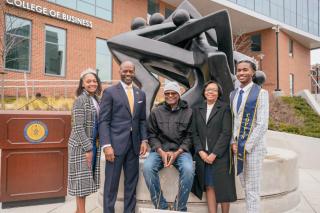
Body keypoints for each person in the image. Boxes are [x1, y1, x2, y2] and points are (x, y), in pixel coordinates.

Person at [99, 61, 148, 213]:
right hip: (115, 146)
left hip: (134, 146)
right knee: (111, 185)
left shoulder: (141, 93)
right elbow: (104, 121)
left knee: (131, 184)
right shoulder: (110, 92)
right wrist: (106, 145)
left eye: (131, 71)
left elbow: (141, 120)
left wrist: (144, 140)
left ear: (134, 73)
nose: (128, 74)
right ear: (119, 71)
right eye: (125, 71)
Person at [143, 81, 194, 212]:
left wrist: (177, 152)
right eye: (167, 93)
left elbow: (190, 136)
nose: (170, 95)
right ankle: (161, 206)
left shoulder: (188, 112)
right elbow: (152, 135)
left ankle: (179, 207)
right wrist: (161, 152)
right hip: (160, 150)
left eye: (173, 93)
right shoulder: (156, 111)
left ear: (179, 94)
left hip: (181, 151)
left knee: (188, 170)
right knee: (148, 168)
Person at [192, 80, 237, 213]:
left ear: (219, 93)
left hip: (220, 155)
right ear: (204, 92)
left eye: (214, 90)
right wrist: (200, 152)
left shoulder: (224, 108)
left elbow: (226, 133)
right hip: (203, 155)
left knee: (223, 188)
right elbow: (194, 133)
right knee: (209, 186)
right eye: (208, 90)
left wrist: (214, 154)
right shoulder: (197, 109)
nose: (210, 92)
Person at [230, 60, 269, 213]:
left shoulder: (261, 93)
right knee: (245, 185)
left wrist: (246, 147)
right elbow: (234, 121)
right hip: (236, 148)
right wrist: (233, 142)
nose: (241, 73)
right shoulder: (233, 94)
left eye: (245, 70)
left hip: (253, 149)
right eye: (239, 70)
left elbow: (262, 125)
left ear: (253, 72)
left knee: (252, 189)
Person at [68, 68, 102, 213]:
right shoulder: (80, 100)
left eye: (94, 81)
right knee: (81, 184)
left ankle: (78, 211)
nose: (92, 83)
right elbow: (78, 127)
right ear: (82, 84)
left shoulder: (96, 99)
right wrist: (88, 149)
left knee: (85, 182)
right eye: (88, 81)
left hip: (92, 145)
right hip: (81, 147)